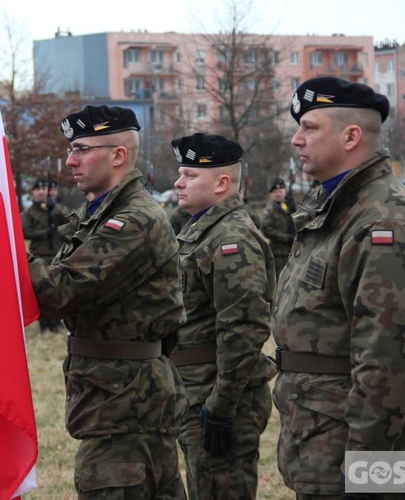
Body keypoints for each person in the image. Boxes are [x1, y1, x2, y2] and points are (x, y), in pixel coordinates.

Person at [274, 77, 405, 498]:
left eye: (309, 128)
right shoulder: (338, 206)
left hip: (353, 445)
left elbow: (386, 356)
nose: (297, 140)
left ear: (351, 136)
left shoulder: (383, 220)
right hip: (322, 434)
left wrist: (369, 467)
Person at [27, 105, 188, 498]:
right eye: (71, 149)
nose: (70, 160)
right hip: (119, 396)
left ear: (118, 155)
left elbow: (57, 293)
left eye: (81, 149)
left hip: (125, 404)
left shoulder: (132, 220)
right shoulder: (101, 214)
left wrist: (5, 245)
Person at [168, 133, 277, 500]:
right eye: (180, 173)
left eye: (190, 175)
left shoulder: (230, 239)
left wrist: (222, 404)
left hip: (219, 396)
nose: (178, 182)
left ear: (222, 183)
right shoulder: (202, 231)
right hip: (197, 389)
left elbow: (244, 328)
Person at [21, 178, 68, 332]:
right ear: (33, 192)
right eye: (38, 189)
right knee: (42, 292)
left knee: (57, 290)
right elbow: (25, 232)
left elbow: (68, 221)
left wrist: (56, 208)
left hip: (56, 254)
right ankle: (44, 324)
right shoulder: (29, 212)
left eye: (44, 189)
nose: (42, 192)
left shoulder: (54, 208)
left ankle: (56, 322)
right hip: (39, 255)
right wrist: (44, 232)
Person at [259, 178, 295, 278]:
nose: (278, 194)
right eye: (275, 192)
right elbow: (265, 227)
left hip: (291, 250)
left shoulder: (288, 206)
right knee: (280, 279)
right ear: (271, 194)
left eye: (281, 191)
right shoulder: (270, 209)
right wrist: (285, 237)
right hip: (278, 252)